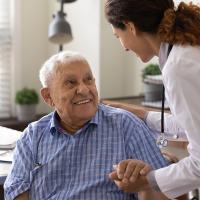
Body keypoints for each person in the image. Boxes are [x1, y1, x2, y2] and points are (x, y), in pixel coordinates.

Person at [4, 51, 169, 200]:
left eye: (88, 80)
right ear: (48, 97)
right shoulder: (32, 136)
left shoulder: (126, 126)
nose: (83, 89)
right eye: (71, 83)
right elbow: (16, 190)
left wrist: (145, 181)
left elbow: (165, 192)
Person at [104, 0, 200, 199]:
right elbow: (193, 123)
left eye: (118, 36)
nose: (123, 47)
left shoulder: (180, 66)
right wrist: (143, 115)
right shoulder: (185, 50)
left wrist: (149, 181)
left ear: (130, 27)